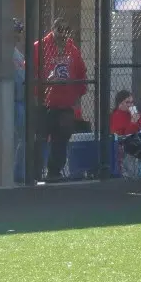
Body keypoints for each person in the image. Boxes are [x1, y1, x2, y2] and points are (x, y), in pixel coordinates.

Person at [32, 17, 87, 181]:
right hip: (44, 102)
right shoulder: (39, 47)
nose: (63, 33)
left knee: (61, 138)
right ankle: (34, 173)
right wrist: (37, 92)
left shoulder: (72, 49)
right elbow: (31, 71)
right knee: (40, 137)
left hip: (65, 102)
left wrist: (79, 93)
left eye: (66, 29)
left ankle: (54, 172)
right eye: (59, 29)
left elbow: (81, 71)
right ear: (53, 29)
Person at [13, 18, 26, 183]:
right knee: (13, 138)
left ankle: (18, 174)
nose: (18, 35)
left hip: (20, 100)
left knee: (22, 139)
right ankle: (10, 174)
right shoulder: (1, 52)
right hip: (11, 100)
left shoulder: (18, 54)